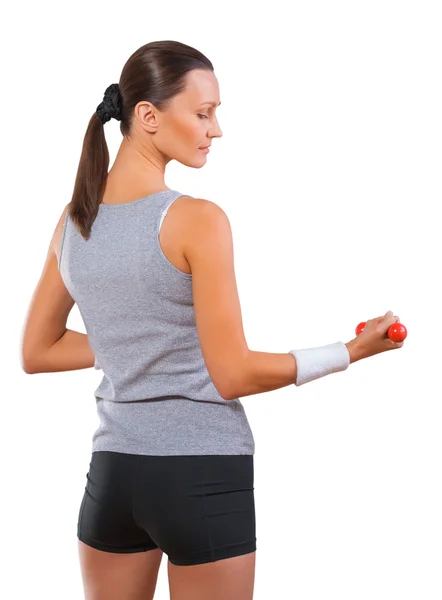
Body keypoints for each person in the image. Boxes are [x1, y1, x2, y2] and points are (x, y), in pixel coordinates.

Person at [20, 40, 404, 600]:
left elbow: (38, 351)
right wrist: (349, 351)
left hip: (111, 479)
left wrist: (137, 342)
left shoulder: (75, 218)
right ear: (148, 116)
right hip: (198, 475)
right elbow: (234, 374)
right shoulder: (196, 220)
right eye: (203, 113)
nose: (215, 129)